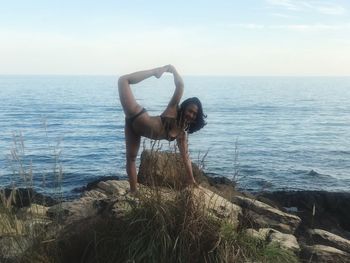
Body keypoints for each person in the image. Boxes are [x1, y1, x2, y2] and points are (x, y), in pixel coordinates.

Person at [118, 65, 206, 193]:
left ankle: (133, 191)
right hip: (137, 115)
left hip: (134, 128)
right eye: (190, 111)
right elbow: (180, 86)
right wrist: (172, 69)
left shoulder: (181, 135)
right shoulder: (173, 109)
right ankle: (154, 71)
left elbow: (185, 157)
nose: (191, 115)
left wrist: (191, 179)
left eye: (194, 114)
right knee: (123, 80)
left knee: (131, 158)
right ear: (184, 107)